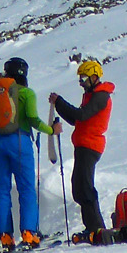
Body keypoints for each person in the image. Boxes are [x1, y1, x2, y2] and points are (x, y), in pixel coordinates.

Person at [0, 57, 60, 249]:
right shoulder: (26, 93)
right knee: (26, 189)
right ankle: (29, 233)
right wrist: (51, 130)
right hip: (20, 142)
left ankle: (5, 237)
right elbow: (33, 119)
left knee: (1, 191)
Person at [48, 58, 114, 243]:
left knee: (84, 187)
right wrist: (59, 106)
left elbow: (82, 115)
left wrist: (60, 102)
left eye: (83, 78)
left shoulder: (101, 95)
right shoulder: (92, 95)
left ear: (94, 76)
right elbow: (77, 119)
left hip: (90, 145)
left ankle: (97, 229)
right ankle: (93, 227)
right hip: (83, 144)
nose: (81, 82)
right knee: (79, 188)